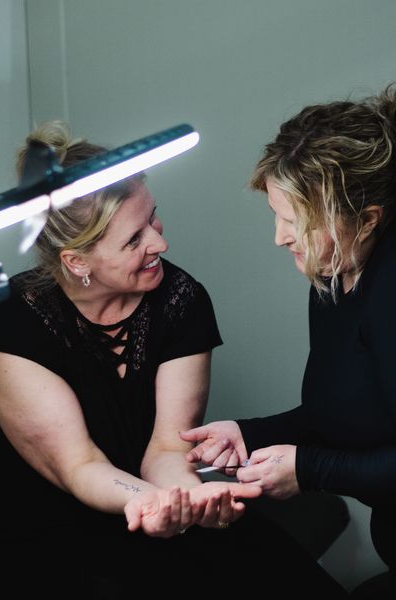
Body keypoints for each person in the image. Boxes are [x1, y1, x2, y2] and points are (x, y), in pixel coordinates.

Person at [0, 121, 347, 599]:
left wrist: (189, 497)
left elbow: (166, 449)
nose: (159, 244)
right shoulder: (14, 320)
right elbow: (79, 466)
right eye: (133, 240)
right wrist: (157, 503)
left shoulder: (180, 299)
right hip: (50, 531)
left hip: (158, 505)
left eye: (153, 218)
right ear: (77, 262)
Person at [181, 84, 396, 597]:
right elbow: (342, 415)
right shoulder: (333, 274)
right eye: (276, 214)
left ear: (367, 220)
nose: (279, 237)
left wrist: (309, 469)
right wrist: (247, 434)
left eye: (296, 221)